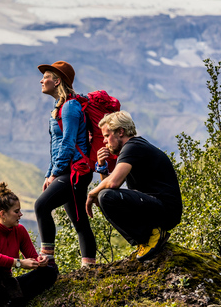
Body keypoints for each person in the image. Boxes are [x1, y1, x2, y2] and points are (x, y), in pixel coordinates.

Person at [85, 110, 182, 261]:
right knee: (106, 196)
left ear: (120, 132)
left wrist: (92, 193)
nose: (104, 141)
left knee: (105, 196)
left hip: (165, 210)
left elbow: (112, 184)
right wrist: (102, 167)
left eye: (106, 135)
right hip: (158, 208)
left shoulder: (133, 147)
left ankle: (152, 236)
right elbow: (111, 186)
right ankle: (145, 240)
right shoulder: (133, 148)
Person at [34, 60, 97, 267]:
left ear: (57, 80)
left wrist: (55, 174)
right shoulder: (60, 106)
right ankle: (89, 266)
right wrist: (49, 173)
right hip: (70, 170)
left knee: (41, 206)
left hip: (75, 171)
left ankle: (48, 262)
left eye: (46, 77)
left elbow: (68, 144)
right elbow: (56, 145)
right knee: (79, 220)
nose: (42, 80)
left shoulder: (69, 107)